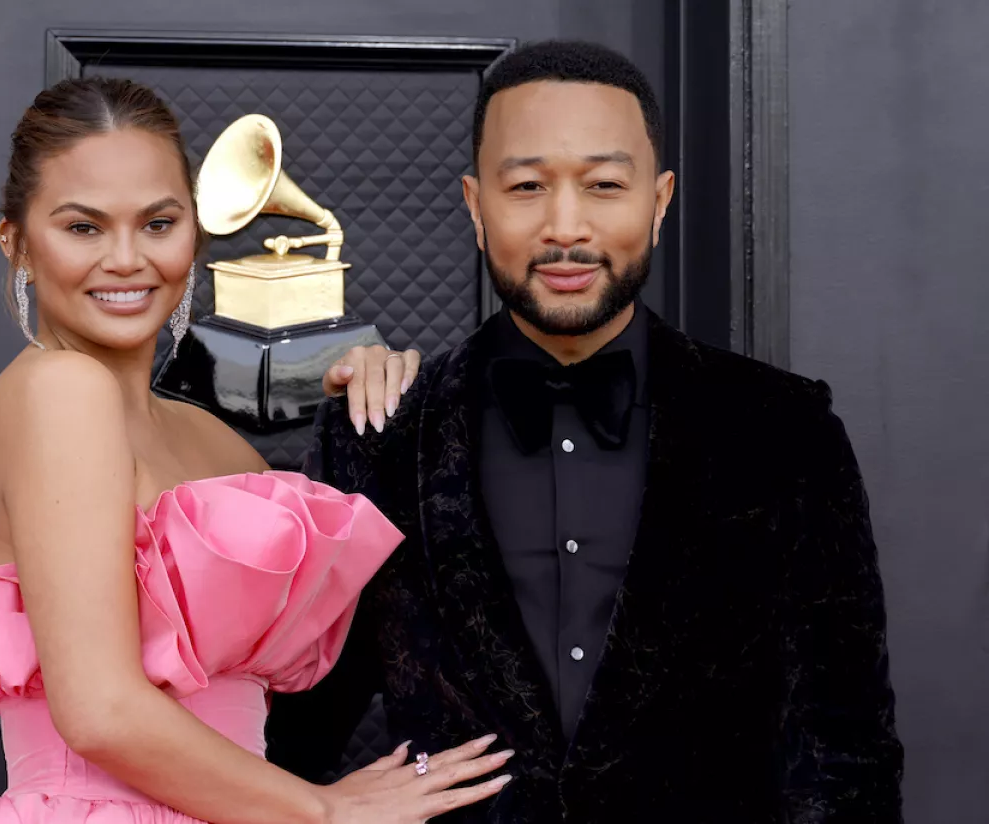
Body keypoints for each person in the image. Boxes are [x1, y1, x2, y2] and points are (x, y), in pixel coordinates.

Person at [268, 40, 905, 822]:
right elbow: (290, 723)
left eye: (604, 185)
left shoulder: (786, 431)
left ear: (661, 200)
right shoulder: (379, 431)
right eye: (528, 186)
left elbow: (849, 747)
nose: (565, 228)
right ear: (475, 205)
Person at [0, 76, 514, 824]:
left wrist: (384, 396)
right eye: (83, 228)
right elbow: (97, 711)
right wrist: (322, 813)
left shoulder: (209, 438)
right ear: (16, 242)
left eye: (158, 224)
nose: (126, 259)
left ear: (194, 231)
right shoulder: (59, 391)